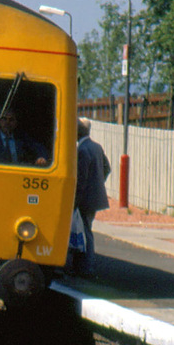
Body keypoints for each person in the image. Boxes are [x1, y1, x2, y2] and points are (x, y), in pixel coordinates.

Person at [72, 117, 111, 275]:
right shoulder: (96, 146)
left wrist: (76, 200)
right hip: (95, 197)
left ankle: (86, 267)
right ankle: (84, 265)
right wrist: (98, 183)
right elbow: (107, 167)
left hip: (85, 199)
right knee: (86, 229)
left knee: (84, 232)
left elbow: (81, 179)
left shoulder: (82, 150)